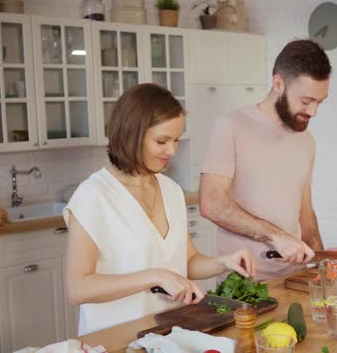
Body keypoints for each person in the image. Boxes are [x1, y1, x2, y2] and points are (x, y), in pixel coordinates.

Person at [64, 83, 255, 336]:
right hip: (116, 341)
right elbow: (78, 288)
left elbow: (187, 262)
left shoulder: (171, 191)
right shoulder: (94, 195)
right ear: (132, 134)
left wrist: (225, 262)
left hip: (169, 335)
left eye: (176, 140)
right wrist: (155, 276)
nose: (172, 150)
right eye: (162, 141)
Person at [199, 39, 332, 280]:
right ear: (278, 83)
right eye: (306, 101)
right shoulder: (232, 126)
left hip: (292, 279)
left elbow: (305, 214)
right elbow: (211, 203)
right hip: (243, 285)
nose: (313, 112)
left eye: (319, 102)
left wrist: (322, 266)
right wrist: (276, 237)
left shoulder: (306, 140)